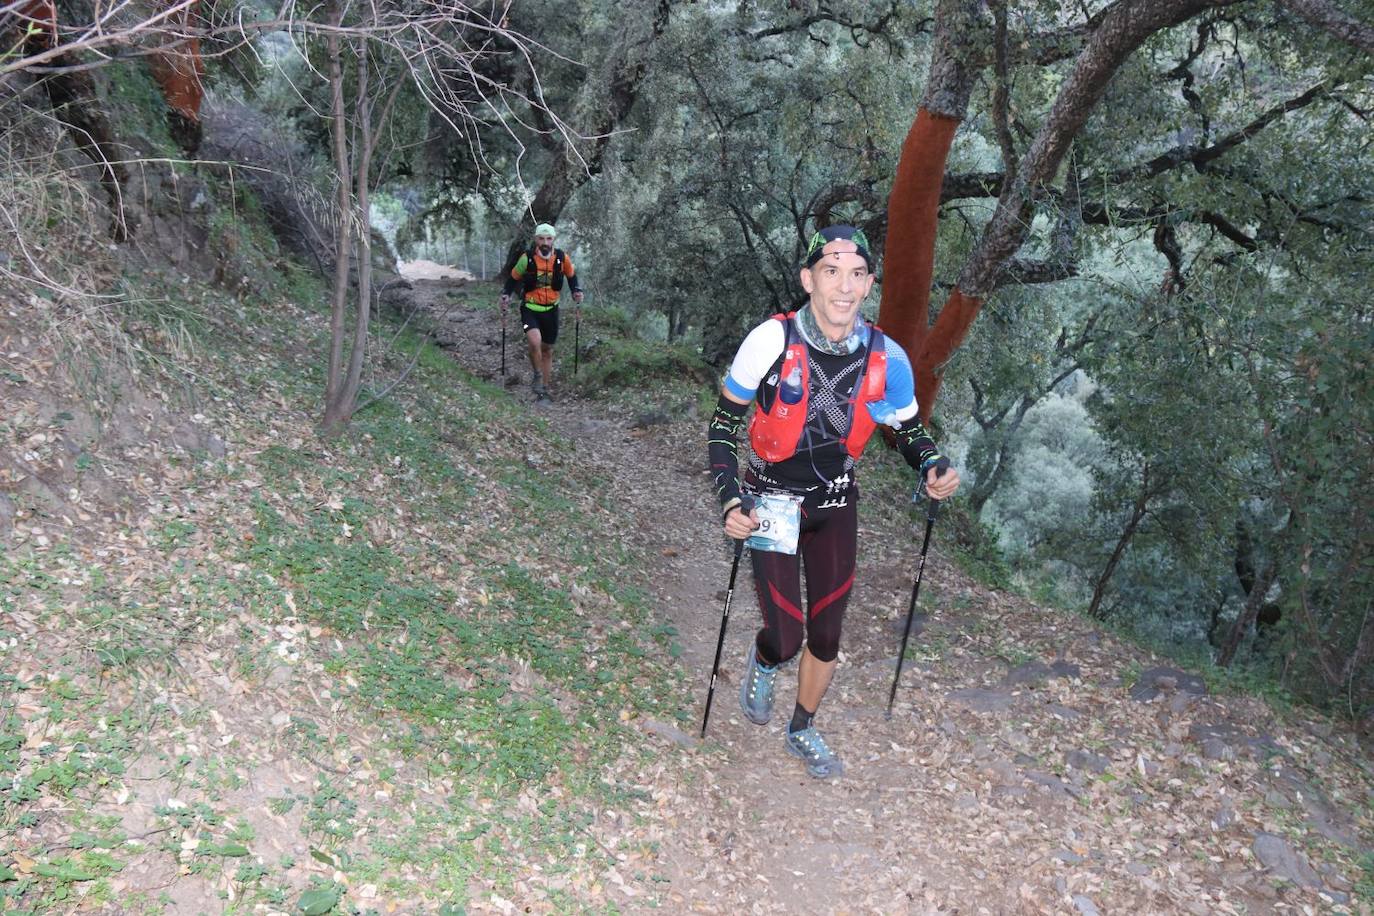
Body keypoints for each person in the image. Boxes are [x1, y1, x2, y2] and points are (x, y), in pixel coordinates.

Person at [706, 224, 960, 779]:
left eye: (857, 274)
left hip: (837, 499)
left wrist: (933, 465)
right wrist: (730, 500)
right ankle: (767, 657)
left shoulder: (886, 358)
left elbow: (910, 431)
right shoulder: (770, 342)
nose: (844, 287)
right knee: (789, 635)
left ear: (869, 284)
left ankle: (803, 727)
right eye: (831, 272)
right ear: (808, 279)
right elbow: (724, 426)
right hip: (771, 499)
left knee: (826, 634)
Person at [499, 223, 583, 401]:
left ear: (553, 239)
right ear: (536, 240)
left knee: (547, 350)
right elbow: (513, 278)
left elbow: (572, 276)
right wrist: (506, 294)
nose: (545, 242)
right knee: (535, 341)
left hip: (551, 310)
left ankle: (544, 388)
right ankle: (537, 374)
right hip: (530, 308)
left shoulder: (561, 258)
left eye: (549, 238)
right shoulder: (527, 259)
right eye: (541, 238)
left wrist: (576, 290)